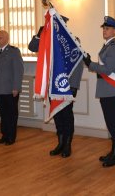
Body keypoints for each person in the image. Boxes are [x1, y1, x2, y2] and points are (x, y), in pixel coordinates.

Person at [28, 16, 84, 158]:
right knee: (57, 114)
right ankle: (60, 143)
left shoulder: (72, 40)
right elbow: (32, 47)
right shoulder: (48, 41)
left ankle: (67, 145)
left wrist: (73, 86)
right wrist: (39, 34)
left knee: (66, 115)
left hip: (68, 86)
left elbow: (78, 64)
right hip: (53, 86)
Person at [83, 16, 115, 167]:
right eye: (104, 28)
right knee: (111, 122)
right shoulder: (107, 45)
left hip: (111, 90)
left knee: (114, 122)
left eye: (107, 29)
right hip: (106, 89)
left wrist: (90, 63)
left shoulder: (113, 48)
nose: (104, 31)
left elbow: (107, 70)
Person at [0, 30, 24, 145]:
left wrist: (16, 87)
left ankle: (11, 137)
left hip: (9, 89)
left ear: (6, 39)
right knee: (3, 114)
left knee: (11, 114)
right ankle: (4, 135)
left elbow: (18, 71)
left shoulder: (14, 51)